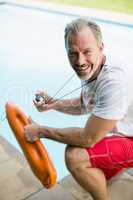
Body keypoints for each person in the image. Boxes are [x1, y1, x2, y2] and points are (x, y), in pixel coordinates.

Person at [24, 18, 133, 200]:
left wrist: (41, 131)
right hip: (124, 129)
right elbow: (84, 104)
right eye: (72, 53)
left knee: (75, 156)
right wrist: (54, 104)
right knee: (96, 163)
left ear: (101, 48)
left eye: (86, 52)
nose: (80, 61)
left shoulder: (114, 81)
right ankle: (108, 172)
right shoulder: (94, 65)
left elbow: (88, 138)